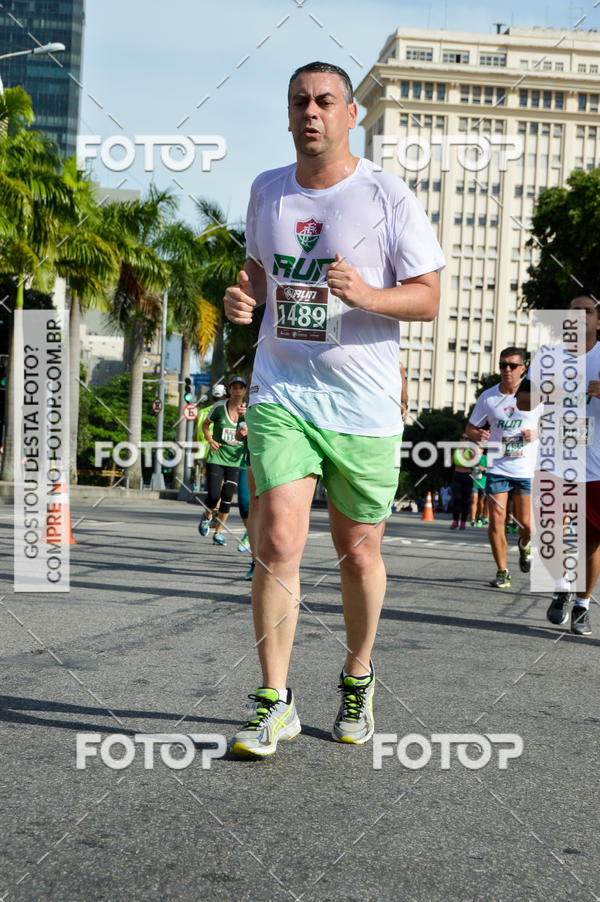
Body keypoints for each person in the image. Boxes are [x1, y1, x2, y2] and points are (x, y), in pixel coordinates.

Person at [223, 61, 444, 756]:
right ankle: (274, 700)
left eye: (325, 101)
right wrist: (244, 298)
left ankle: (357, 673)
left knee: (357, 551)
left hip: (364, 402)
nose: (311, 112)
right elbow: (258, 271)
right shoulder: (267, 190)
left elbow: (430, 297)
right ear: (287, 116)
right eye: (299, 102)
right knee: (278, 540)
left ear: (352, 115)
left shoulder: (387, 194)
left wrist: (369, 296)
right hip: (282, 390)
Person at [516, 294, 600, 635]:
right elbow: (523, 401)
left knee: (591, 541)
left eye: (588, 311)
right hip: (554, 458)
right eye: (573, 311)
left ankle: (581, 604)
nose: (580, 316)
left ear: (598, 321)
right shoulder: (548, 356)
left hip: (595, 464)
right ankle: (562, 585)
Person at [466, 348, 541, 589]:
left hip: (526, 469)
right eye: (502, 365)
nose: (506, 370)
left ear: (523, 369)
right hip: (497, 467)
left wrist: (536, 432)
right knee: (496, 520)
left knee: (526, 525)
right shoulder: (488, 397)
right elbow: (470, 429)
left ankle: (525, 544)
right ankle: (502, 571)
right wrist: (479, 433)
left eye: (512, 365)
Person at [198, 377, 248, 545]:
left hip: (235, 460)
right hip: (217, 457)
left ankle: (218, 532)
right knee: (213, 496)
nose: (238, 390)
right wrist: (210, 440)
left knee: (227, 497)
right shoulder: (219, 407)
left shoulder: (248, 410)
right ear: (229, 389)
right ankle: (206, 516)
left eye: (241, 387)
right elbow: (205, 425)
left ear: (245, 390)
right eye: (234, 387)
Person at [450, 437, 472, 530]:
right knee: (456, 499)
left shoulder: (471, 450)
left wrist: (464, 456)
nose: (464, 440)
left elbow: (473, 463)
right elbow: (450, 462)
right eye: (462, 438)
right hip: (457, 475)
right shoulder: (456, 449)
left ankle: (463, 522)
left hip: (467, 476)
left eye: (466, 438)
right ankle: (455, 521)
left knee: (466, 501)